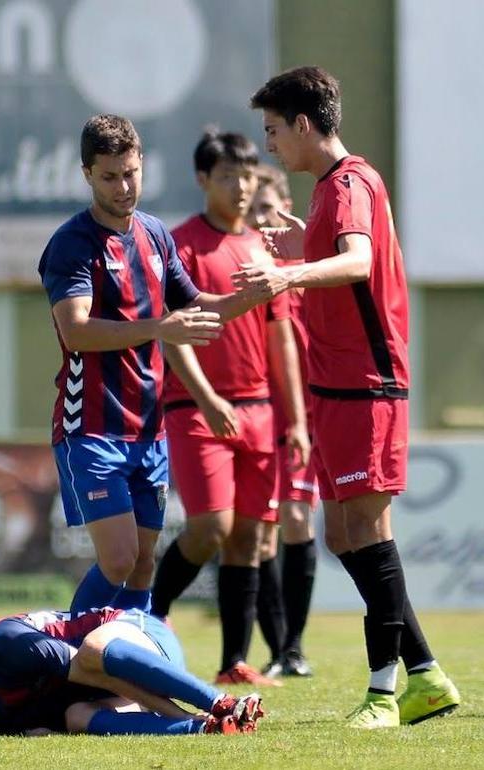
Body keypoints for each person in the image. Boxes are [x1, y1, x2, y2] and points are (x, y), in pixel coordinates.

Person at [232, 66, 460, 729]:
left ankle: (385, 694)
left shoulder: (351, 183)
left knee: (366, 531)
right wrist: (295, 246)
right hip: (335, 386)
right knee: (346, 535)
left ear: (304, 125)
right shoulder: (332, 191)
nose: (270, 144)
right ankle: (426, 674)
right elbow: (340, 257)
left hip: (367, 387)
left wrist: (287, 272)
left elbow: (358, 261)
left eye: (273, 131)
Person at [38, 115, 269, 617]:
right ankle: (67, 663)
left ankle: (133, 667)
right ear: (86, 174)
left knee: (144, 564)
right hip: (92, 426)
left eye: (132, 173)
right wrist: (160, 328)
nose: (124, 187)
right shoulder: (72, 244)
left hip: (149, 427)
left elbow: (198, 305)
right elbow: (77, 330)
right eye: (110, 177)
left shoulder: (156, 235)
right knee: (118, 559)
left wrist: (262, 289)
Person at [148, 130, 309, 688]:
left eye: (245, 175)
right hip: (196, 408)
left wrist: (297, 420)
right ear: (202, 181)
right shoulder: (181, 244)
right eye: (226, 177)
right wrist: (207, 398)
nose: (239, 187)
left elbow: (281, 340)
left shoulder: (264, 250)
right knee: (209, 527)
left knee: (247, 537)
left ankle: (233, 663)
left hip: (260, 411)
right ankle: (152, 608)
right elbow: (174, 335)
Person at [0, 607, 263, 737]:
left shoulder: (1, 648)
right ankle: (208, 730)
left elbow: (101, 672)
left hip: (138, 636)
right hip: (114, 684)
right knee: (77, 716)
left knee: (91, 654)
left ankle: (221, 703)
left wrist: (178, 713)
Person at [249, 164, 320, 680]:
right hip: (254, 411)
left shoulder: (310, 267)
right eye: (254, 213)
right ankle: (277, 650)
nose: (265, 223)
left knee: (297, 520)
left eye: (271, 211)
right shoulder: (245, 270)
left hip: (304, 412)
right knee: (261, 534)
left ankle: (293, 646)